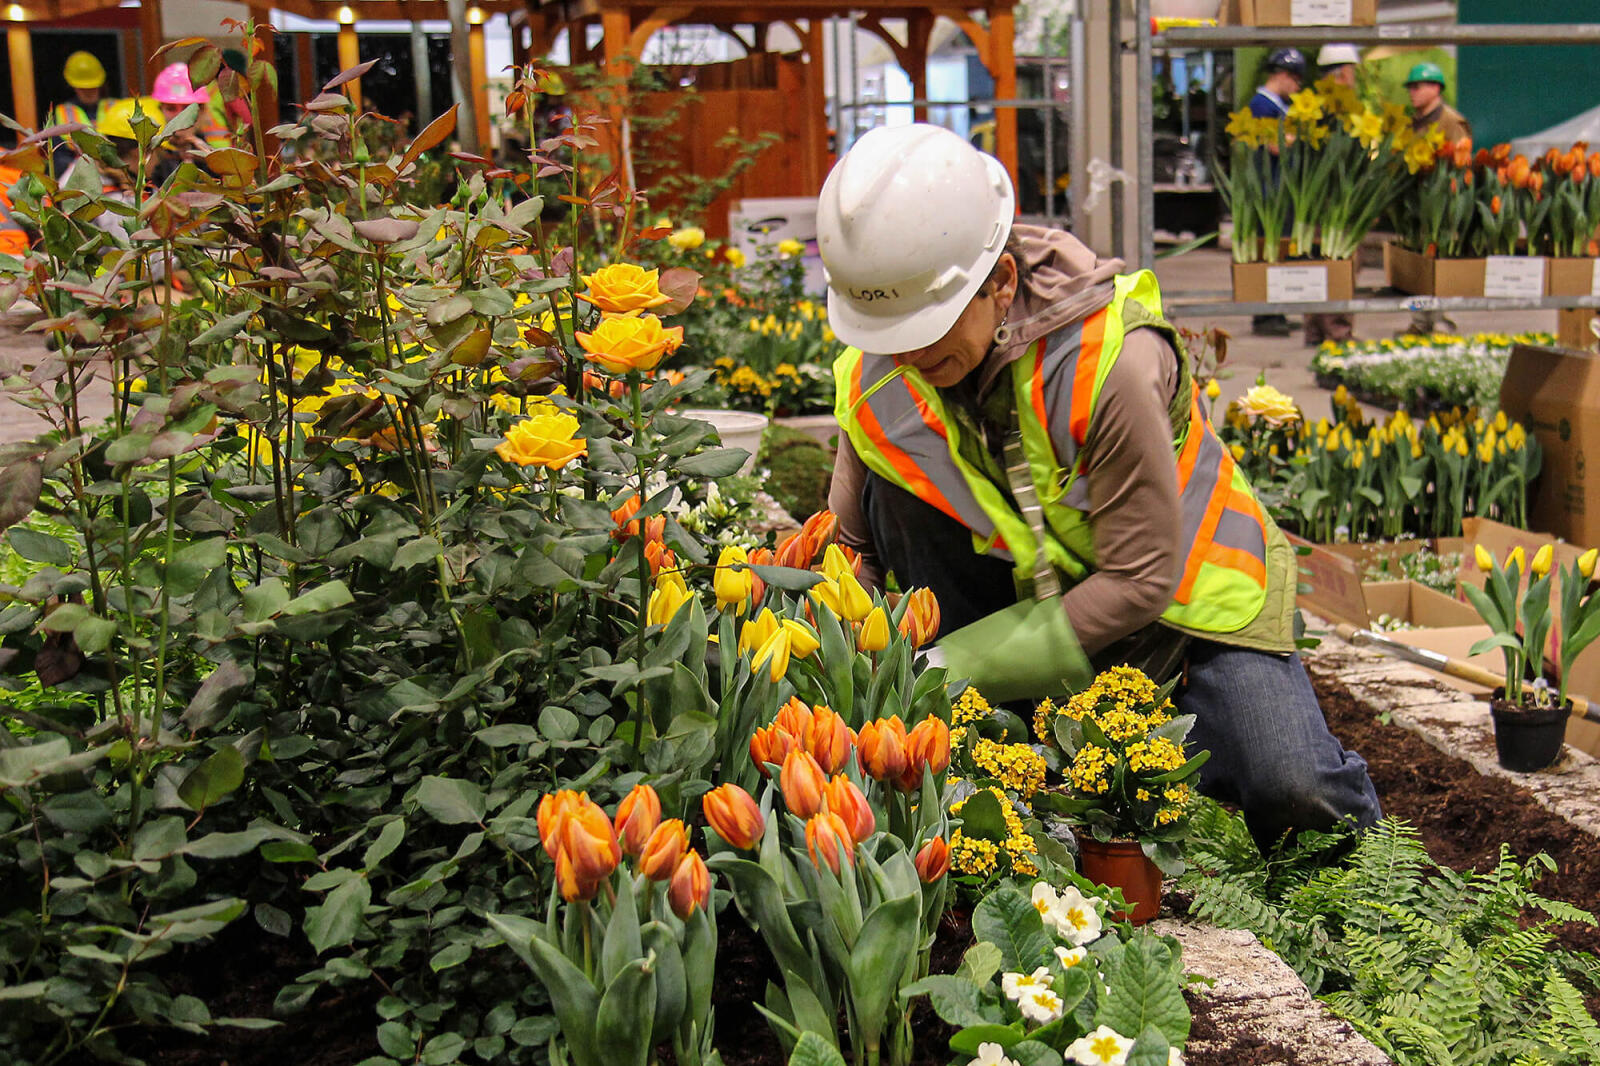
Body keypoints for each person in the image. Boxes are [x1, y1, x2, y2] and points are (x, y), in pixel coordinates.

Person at [819, 124, 1382, 852]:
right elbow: (849, 547)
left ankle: (1365, 887)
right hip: (1027, 609)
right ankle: (1052, 742)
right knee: (889, 493)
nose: (909, 353)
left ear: (1003, 284)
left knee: (1292, 789)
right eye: (886, 330)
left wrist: (947, 669)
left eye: (927, 327)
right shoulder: (881, 371)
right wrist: (848, 668)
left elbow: (1141, 579)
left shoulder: (1108, 362)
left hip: (1185, 608)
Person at [1304, 44, 1365, 348]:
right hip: (1338, 205)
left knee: (1315, 262)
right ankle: (1338, 333)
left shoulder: (1311, 107)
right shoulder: (1343, 110)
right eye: (1353, 72)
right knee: (1340, 266)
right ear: (1343, 72)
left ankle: (1314, 330)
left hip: (1313, 205)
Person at [1404, 62, 1471, 336]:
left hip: (1443, 206)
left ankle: (1444, 322)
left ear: (1435, 88)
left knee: (1441, 264)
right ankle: (1421, 322)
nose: (1412, 93)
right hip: (1418, 204)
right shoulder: (1412, 122)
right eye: (1410, 87)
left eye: (1418, 87)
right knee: (1420, 267)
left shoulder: (1451, 122)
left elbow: (1460, 163)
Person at [1246, 48, 1305, 338]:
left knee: (1279, 250)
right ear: (1281, 75)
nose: (1297, 86)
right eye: (1295, 78)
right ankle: (1266, 315)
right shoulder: (1263, 105)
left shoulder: (1276, 105)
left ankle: (1276, 309)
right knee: (1270, 251)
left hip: (1279, 192)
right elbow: (1274, 145)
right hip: (1270, 194)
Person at [48, 51, 114, 176]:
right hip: (79, 178)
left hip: (116, 175)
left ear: (100, 84)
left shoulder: (115, 108)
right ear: (73, 86)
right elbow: (58, 158)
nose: (88, 92)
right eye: (83, 88)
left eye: (92, 87)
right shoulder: (63, 113)